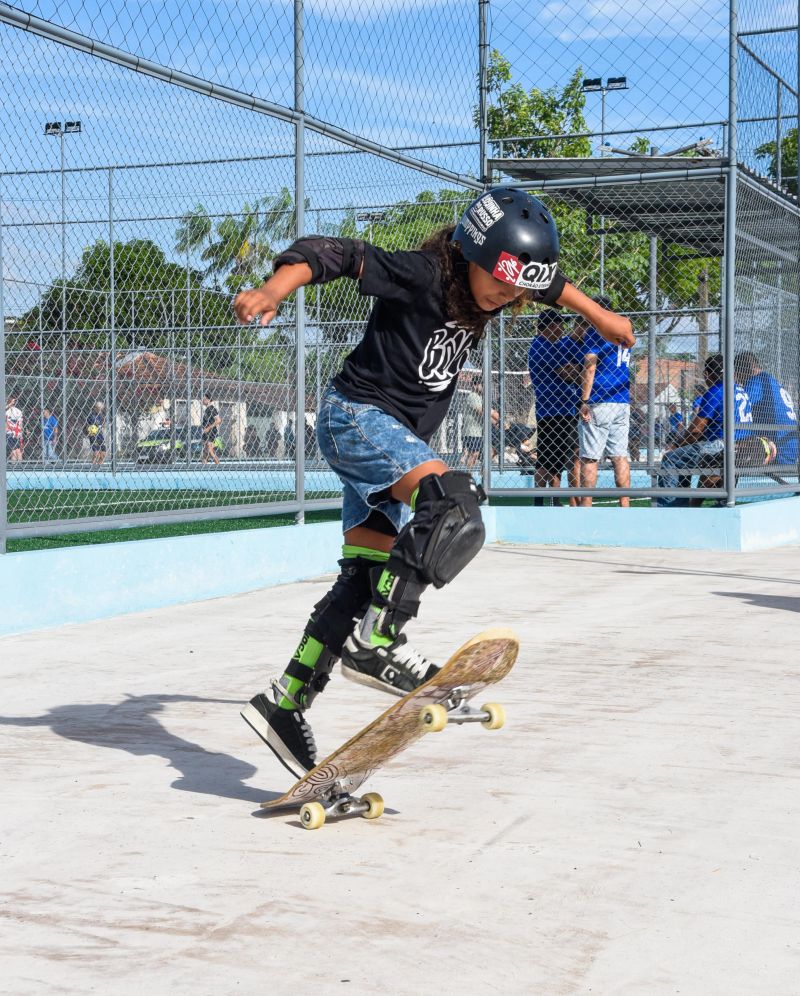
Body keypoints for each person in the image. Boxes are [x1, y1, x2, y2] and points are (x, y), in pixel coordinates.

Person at [231, 186, 634, 776]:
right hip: (358, 420)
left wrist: (599, 315)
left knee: (365, 576)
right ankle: (380, 641)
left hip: (385, 443)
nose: (506, 296)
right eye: (498, 283)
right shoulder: (421, 274)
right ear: (468, 254)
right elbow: (333, 255)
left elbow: (553, 285)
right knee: (453, 507)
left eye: (516, 289)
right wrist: (273, 290)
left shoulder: (509, 281)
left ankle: (284, 702)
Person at [656, 353, 756, 507]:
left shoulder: (716, 390)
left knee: (672, 459)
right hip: (743, 445)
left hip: (721, 445)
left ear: (707, 374)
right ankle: (717, 504)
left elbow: (695, 431)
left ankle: (673, 510)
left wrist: (676, 446)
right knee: (691, 460)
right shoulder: (740, 390)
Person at [578, 295, 633, 508]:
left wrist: (584, 400)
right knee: (620, 456)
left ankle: (586, 507)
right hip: (622, 400)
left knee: (590, 457)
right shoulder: (623, 332)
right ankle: (625, 505)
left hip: (600, 400)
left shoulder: (596, 332)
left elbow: (589, 368)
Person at [527, 309, 578, 506]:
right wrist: (579, 369)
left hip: (563, 410)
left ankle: (554, 500)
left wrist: (574, 368)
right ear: (548, 327)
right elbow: (567, 372)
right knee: (546, 459)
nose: (562, 329)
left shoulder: (554, 346)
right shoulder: (542, 346)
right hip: (552, 411)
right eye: (559, 325)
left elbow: (570, 368)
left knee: (557, 461)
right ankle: (539, 501)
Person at [733, 352, 798, 468]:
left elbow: (737, 408)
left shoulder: (755, 383)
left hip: (778, 451)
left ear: (741, 371)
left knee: (724, 453)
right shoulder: (770, 381)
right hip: (790, 448)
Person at [460, 373, 484, 469]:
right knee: (474, 454)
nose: (483, 387)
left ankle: (468, 471)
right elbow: (480, 411)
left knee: (474, 454)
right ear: (475, 385)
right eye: (481, 385)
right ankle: (468, 473)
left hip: (476, 432)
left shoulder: (479, 397)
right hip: (472, 432)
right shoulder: (473, 396)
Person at [201, 394, 221, 465]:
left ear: (209, 400)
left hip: (211, 432)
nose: (202, 400)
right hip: (207, 432)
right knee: (205, 451)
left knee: (209, 450)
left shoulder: (211, 409)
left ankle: (218, 464)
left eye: (204, 399)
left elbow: (218, 420)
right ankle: (204, 466)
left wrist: (208, 428)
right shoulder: (207, 409)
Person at [85, 402, 106, 466]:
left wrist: (103, 421)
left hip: (100, 435)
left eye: (101, 409)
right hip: (93, 436)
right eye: (99, 409)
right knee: (96, 453)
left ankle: (100, 465)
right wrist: (89, 432)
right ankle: (93, 465)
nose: (100, 410)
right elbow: (86, 426)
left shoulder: (101, 416)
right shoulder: (91, 416)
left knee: (103, 453)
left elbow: (103, 424)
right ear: (95, 408)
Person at [5, 395, 23, 462]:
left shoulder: (17, 411)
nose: (13, 403)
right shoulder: (7, 411)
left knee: (16, 451)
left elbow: (20, 423)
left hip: (13, 433)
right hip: (12, 433)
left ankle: (17, 466)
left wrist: (20, 432)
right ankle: (17, 467)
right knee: (16, 451)